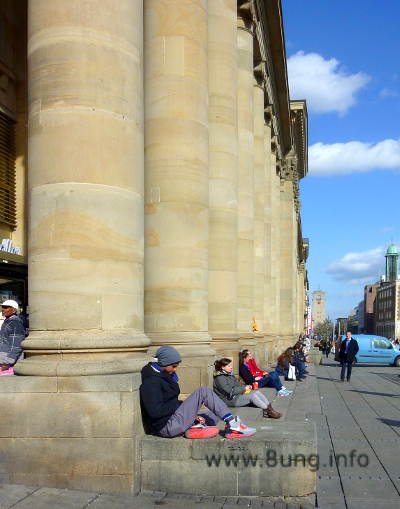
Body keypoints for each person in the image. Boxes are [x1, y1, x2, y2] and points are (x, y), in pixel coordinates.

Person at [140, 346, 256, 439]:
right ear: (163, 364)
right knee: (203, 391)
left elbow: (170, 404)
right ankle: (233, 425)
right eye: (173, 366)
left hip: (173, 419)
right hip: (165, 426)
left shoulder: (164, 375)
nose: (175, 369)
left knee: (215, 412)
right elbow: (155, 411)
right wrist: (183, 407)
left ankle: (194, 427)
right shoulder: (151, 381)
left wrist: (191, 414)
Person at [213, 358, 281, 419]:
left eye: (231, 365)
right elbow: (229, 392)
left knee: (256, 392)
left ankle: (270, 408)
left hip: (236, 395)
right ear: (222, 367)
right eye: (229, 366)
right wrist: (244, 389)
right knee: (252, 396)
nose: (231, 367)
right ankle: (267, 410)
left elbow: (237, 384)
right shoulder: (220, 378)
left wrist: (246, 387)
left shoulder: (229, 375)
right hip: (229, 400)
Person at [0, 299, 26, 371]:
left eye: (6, 307)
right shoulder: (8, 321)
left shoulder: (15, 323)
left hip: (9, 364)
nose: (3, 309)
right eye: (2, 307)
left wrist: (7, 362)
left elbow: (17, 345)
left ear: (14, 310)